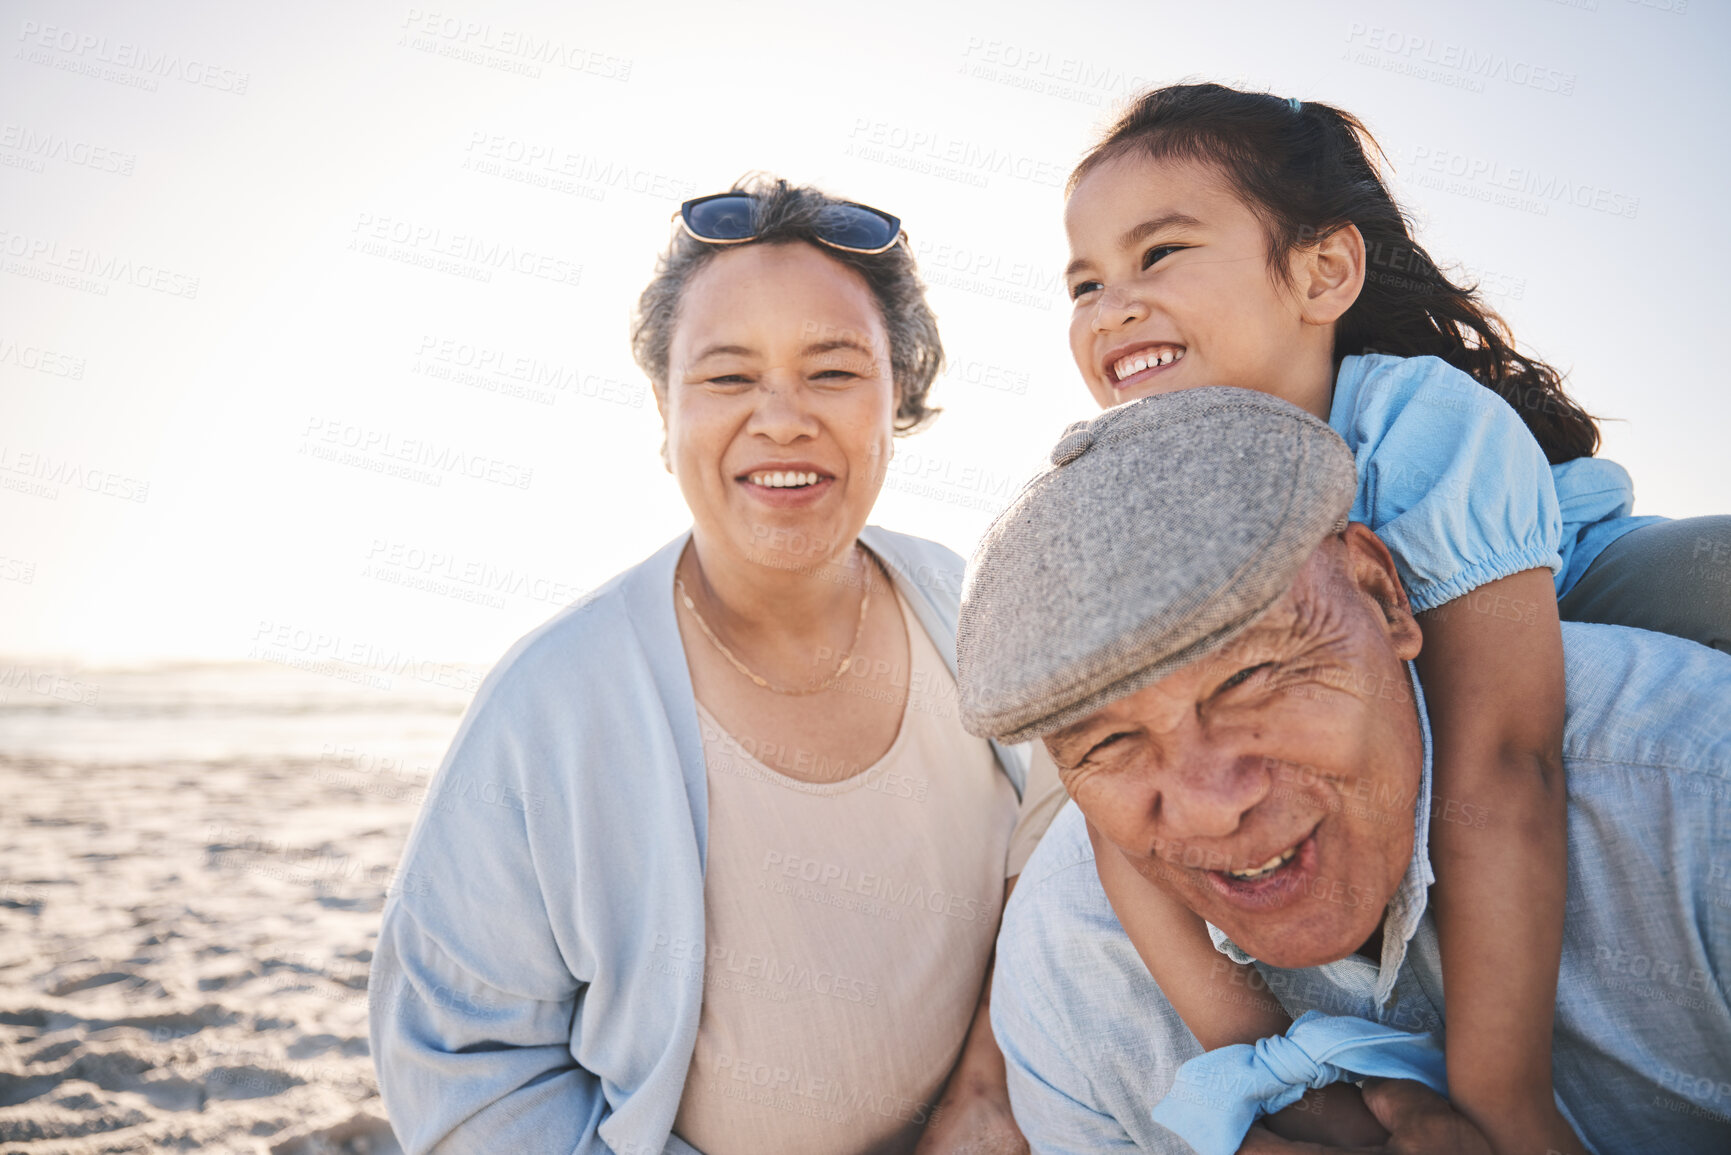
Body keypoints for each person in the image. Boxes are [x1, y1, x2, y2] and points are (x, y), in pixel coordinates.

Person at [1056, 82, 1731, 1155]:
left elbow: (1506, 764)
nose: (1110, 306)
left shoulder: (1422, 428)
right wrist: (1263, 1062)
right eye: (1085, 281)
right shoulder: (1143, 485)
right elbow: (1109, 821)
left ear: (1322, 272)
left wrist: (1504, 1097)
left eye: (1160, 254)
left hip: (1566, 567)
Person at [367, 177, 1064, 1155]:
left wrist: (985, 1093)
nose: (782, 420)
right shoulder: (558, 701)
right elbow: (459, 1055)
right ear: (665, 411)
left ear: (896, 396)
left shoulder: (970, 608)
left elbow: (1061, 853)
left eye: (832, 373)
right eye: (729, 378)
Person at [954, 388, 1731, 1153]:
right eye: (1107, 744)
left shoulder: (1695, 793)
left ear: (1382, 594)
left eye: (1248, 677)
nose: (1208, 806)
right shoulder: (1066, 981)